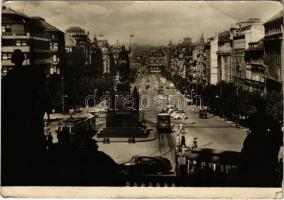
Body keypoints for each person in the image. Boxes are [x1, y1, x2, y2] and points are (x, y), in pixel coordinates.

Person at [2, 49, 51, 185]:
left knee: (16, 150)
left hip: (13, 120)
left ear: (13, 60)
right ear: (23, 59)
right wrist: (44, 109)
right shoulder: (30, 75)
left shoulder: (8, 78)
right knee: (32, 148)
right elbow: (40, 94)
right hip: (31, 118)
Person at [240, 98, 283, 186]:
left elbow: (247, 122)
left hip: (254, 141)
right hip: (263, 141)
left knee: (246, 158)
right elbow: (277, 128)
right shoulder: (268, 118)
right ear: (264, 107)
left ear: (256, 107)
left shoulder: (253, 117)